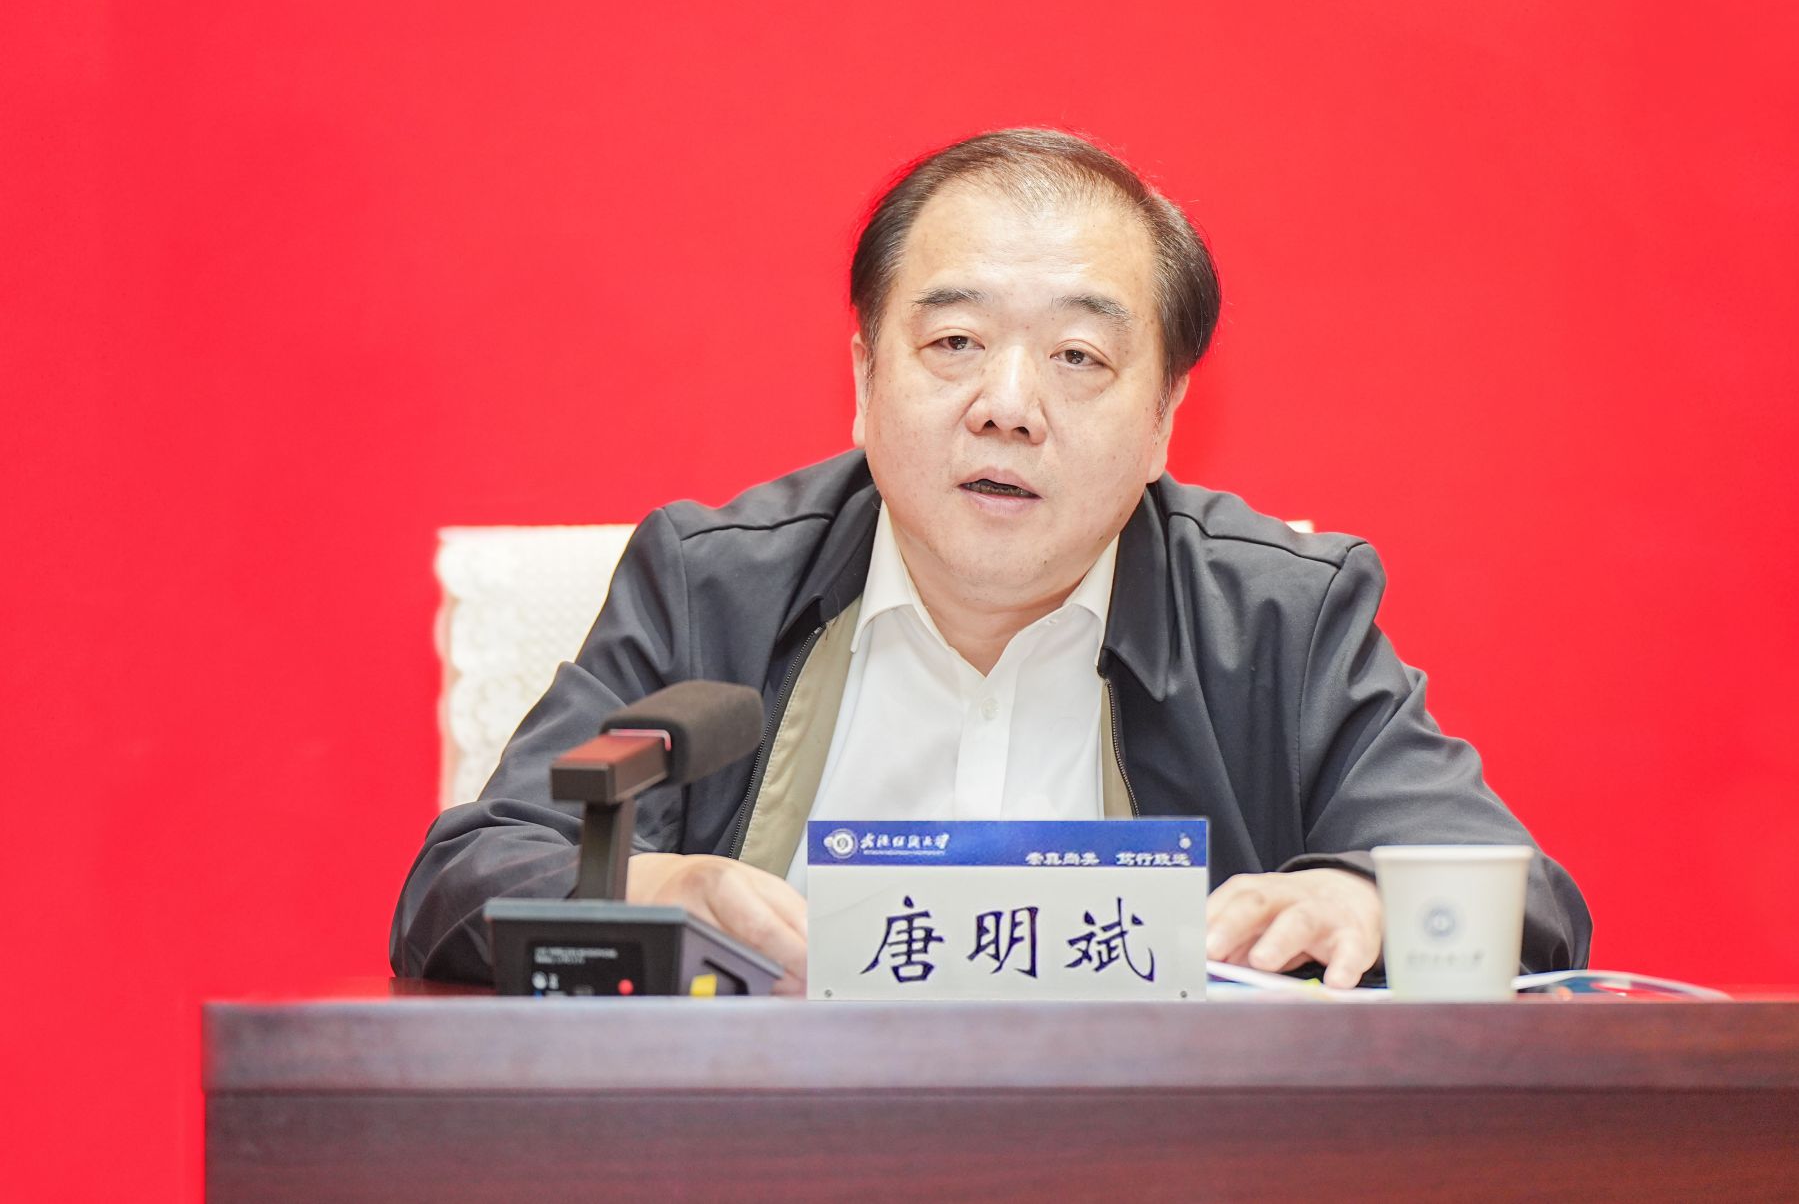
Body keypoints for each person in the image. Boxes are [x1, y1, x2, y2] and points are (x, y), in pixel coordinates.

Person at [391, 128, 1591, 993]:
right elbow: (465, 878)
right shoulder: (712, 587)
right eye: (954, 342)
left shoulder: (1278, 618)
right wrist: (663, 893)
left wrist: (1356, 897)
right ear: (864, 379)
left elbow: (1519, 895)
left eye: (1077, 358)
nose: (1006, 406)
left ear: (1164, 419)